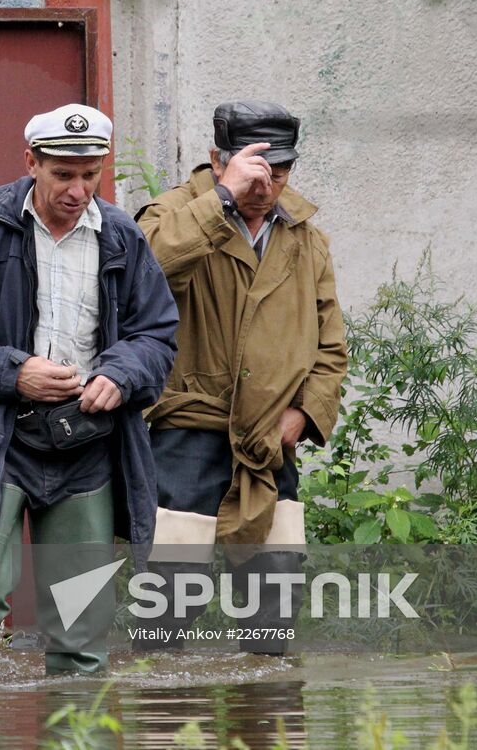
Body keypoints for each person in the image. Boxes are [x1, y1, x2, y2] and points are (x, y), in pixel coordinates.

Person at [0, 104, 178, 674]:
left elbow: (155, 334)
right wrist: (14, 371)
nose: (78, 190)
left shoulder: (122, 237)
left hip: (86, 444)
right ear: (30, 162)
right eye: (62, 174)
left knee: (81, 628)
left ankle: (76, 727)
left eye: (91, 174)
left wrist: (119, 374)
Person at [134, 100, 348, 654]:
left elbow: (330, 345)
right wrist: (221, 200)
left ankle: (269, 725)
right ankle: (165, 723)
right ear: (218, 159)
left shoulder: (304, 236)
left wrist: (303, 413)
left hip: (270, 441)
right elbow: (144, 266)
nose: (266, 185)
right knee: (167, 602)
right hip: (187, 429)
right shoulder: (173, 212)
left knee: (271, 612)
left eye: (278, 172)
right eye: (254, 170)